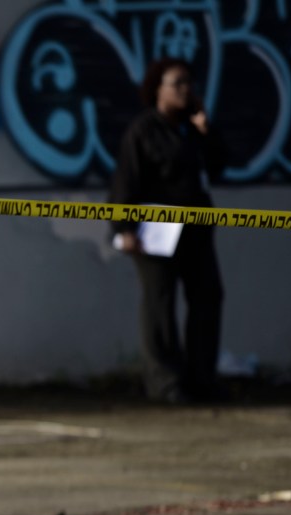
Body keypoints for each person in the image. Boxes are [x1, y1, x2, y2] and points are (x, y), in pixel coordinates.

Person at [109, 57, 227, 404]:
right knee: (160, 303)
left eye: (189, 82)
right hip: (156, 232)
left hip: (196, 230)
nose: (185, 89)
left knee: (208, 297)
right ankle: (165, 382)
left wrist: (207, 132)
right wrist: (124, 227)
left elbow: (221, 165)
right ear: (157, 89)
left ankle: (202, 378)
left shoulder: (193, 128)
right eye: (177, 83)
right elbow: (125, 181)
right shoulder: (143, 130)